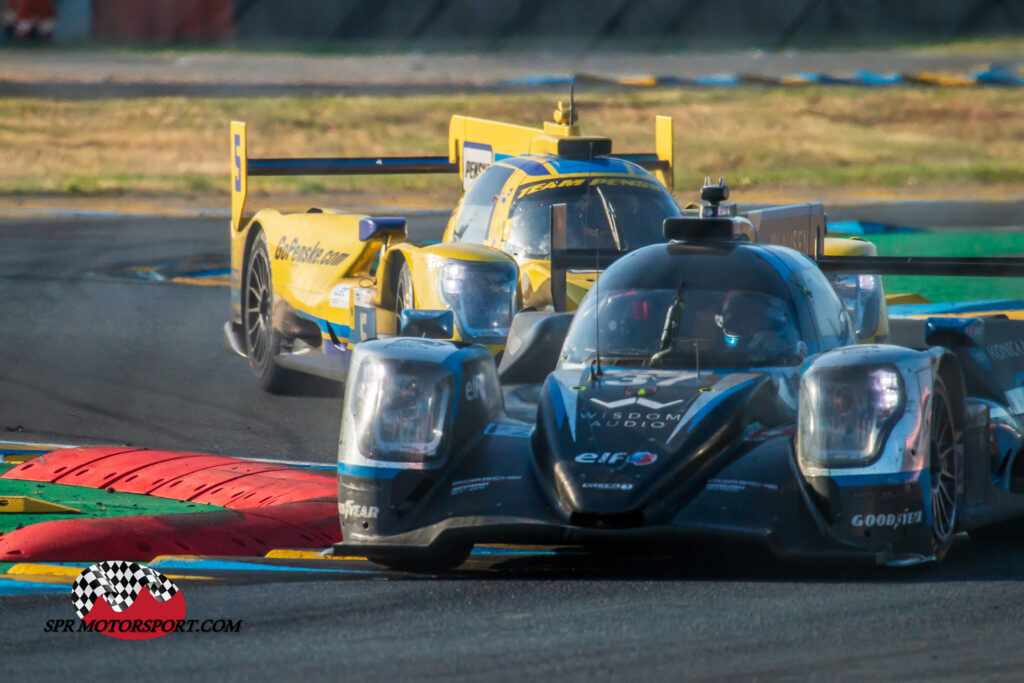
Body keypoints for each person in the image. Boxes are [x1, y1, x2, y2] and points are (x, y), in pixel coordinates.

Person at [714, 291, 804, 364]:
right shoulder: (731, 350)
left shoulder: (787, 344)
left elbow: (798, 359)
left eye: (755, 317)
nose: (750, 323)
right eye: (743, 320)